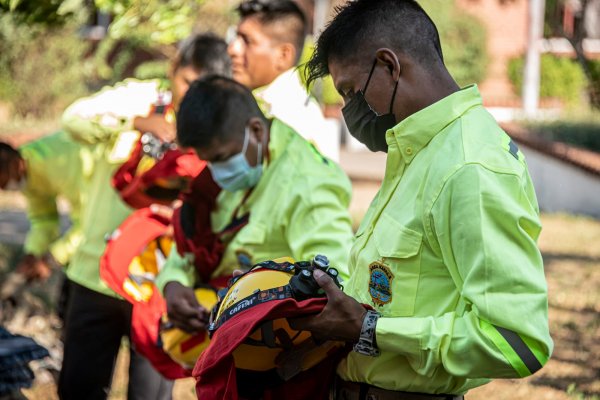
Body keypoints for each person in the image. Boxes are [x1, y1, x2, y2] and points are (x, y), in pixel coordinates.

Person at [291, 1, 554, 399]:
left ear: (390, 66)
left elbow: (517, 340)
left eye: (349, 91)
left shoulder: (470, 166)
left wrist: (370, 331)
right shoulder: (418, 152)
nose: (348, 110)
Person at [57, 33, 231, 400]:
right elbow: (73, 119)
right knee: (77, 388)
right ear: (173, 70)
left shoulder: (218, 124)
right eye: (187, 81)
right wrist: (136, 122)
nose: (193, 93)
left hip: (159, 287)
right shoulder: (141, 97)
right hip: (95, 276)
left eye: (205, 86)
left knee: (150, 395)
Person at [155, 75, 354, 335]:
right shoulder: (232, 170)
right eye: (209, 162)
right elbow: (193, 239)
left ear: (257, 131)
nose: (217, 172)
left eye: (221, 158)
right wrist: (173, 282)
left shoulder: (307, 186)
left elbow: (334, 283)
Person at [228, 0, 340, 161]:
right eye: (235, 37)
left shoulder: (294, 120)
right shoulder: (256, 106)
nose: (232, 49)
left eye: (247, 41)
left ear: (283, 55)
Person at [0, 134, 82, 283]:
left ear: (14, 165)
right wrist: (32, 253)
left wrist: (53, 258)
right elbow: (44, 220)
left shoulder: (57, 163)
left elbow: (91, 223)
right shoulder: (27, 172)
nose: (4, 189)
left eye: (2, 183)